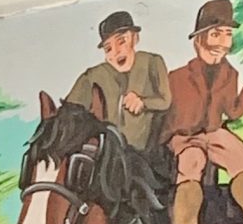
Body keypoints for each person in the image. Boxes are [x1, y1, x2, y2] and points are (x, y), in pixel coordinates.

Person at [165, 0, 243, 224]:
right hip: (184, 136)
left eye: (227, 34)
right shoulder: (177, 77)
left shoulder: (230, 74)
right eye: (216, 34)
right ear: (200, 40)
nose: (222, 41)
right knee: (192, 161)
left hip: (214, 132)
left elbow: (235, 111)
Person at [64, 10, 171, 154]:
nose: (116, 52)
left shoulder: (152, 62)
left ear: (135, 38)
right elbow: (69, 111)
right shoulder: (92, 76)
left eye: (121, 42)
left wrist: (143, 102)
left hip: (146, 152)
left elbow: (166, 100)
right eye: (108, 48)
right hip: (107, 154)